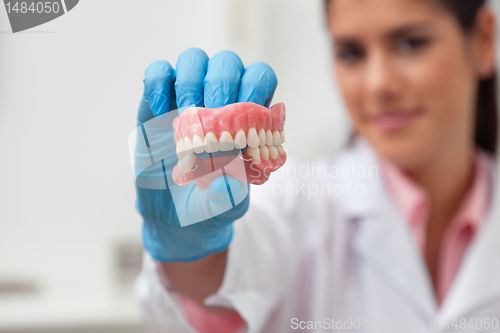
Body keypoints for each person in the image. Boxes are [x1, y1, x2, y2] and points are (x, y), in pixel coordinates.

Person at [133, 0, 500, 332]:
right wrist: (190, 252)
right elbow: (230, 276)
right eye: (351, 53)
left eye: (410, 44)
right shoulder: (301, 201)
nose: (378, 85)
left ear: (483, 40)